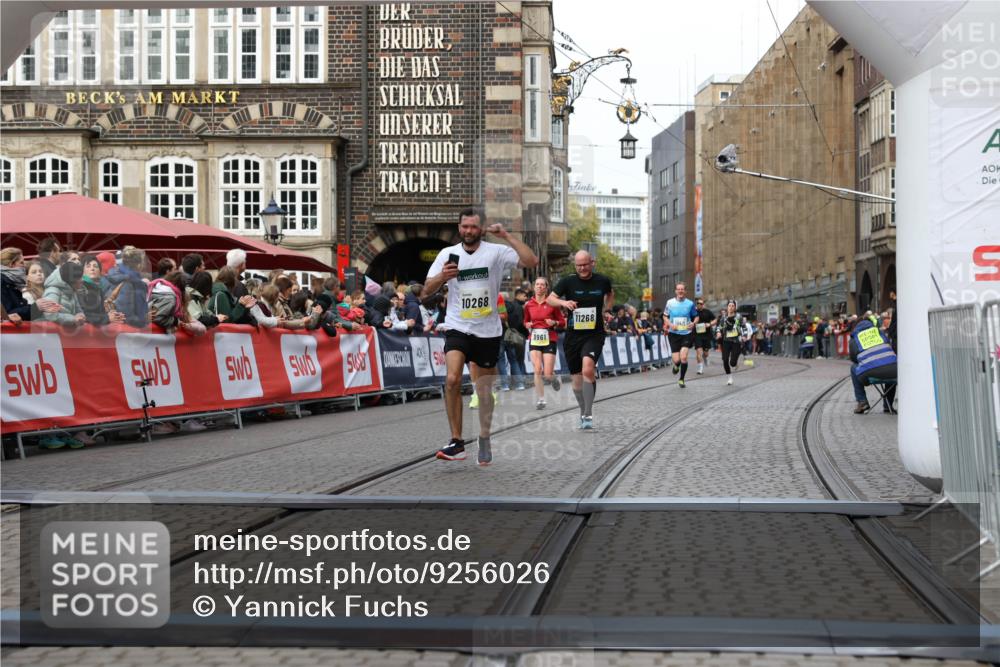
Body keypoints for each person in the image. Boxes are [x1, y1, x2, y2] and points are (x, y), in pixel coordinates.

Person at [422, 207, 538, 464]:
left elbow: (531, 262)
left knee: (484, 392)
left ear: (481, 228)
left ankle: (484, 437)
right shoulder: (447, 254)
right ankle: (457, 441)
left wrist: (507, 236)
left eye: (474, 227)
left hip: (487, 331)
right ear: (459, 227)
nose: (468, 231)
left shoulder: (495, 252)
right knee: (452, 379)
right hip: (457, 326)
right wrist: (443, 276)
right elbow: (425, 291)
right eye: (464, 227)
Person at [548, 250, 614, 429]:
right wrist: (564, 303)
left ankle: (588, 412)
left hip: (594, 333)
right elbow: (550, 299)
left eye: (585, 264)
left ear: (592, 262)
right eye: (578, 265)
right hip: (573, 335)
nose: (582, 268)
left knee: (588, 369)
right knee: (577, 381)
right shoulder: (568, 281)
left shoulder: (602, 280)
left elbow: (610, 294)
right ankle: (583, 409)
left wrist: (607, 310)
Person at [524, 276, 566, 409]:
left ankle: (553, 378)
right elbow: (525, 321)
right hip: (535, 338)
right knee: (537, 370)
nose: (540, 287)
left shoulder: (552, 303)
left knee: (547, 373)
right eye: (537, 284)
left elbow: (562, 322)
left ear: (547, 288)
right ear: (534, 287)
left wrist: (554, 322)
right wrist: (527, 324)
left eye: (543, 285)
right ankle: (541, 399)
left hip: (549, 337)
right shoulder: (528, 304)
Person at [849, 316, 897, 414]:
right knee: (888, 364)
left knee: (853, 368)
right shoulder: (880, 333)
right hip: (894, 373)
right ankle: (888, 405)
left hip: (869, 374)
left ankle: (862, 401)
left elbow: (854, 359)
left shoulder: (855, 337)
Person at [663, 282, 699, 388]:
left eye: (682, 289)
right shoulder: (669, 303)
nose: (680, 291)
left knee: (683, 357)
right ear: (675, 291)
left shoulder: (690, 303)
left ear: (685, 291)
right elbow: (665, 316)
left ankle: (681, 379)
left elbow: (696, 317)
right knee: (677, 360)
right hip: (673, 334)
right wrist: (670, 324)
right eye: (678, 289)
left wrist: (693, 323)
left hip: (686, 333)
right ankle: (676, 366)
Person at [105, 246, 149, 327]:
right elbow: (127, 315)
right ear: (139, 264)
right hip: (129, 333)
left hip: (112, 331)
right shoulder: (135, 283)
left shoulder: (111, 277)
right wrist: (144, 320)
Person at [42, 261, 86, 326]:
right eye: (80, 278)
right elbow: (50, 315)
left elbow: (78, 310)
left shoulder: (71, 290)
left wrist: (81, 316)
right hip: (54, 334)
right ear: (72, 280)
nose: (83, 280)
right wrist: (72, 319)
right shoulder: (52, 291)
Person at [717, 300, 746, 385]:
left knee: (732, 363)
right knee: (725, 360)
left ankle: (735, 363)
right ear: (727, 307)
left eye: (733, 306)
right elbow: (719, 327)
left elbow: (744, 327)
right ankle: (729, 377)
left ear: (735, 307)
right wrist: (718, 332)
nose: (731, 307)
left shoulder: (739, 317)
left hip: (736, 342)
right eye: (729, 305)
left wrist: (744, 335)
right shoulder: (724, 317)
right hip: (726, 341)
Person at [1, 247, 32, 323]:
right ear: (11, 264)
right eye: (21, 263)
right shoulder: (2, 281)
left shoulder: (11, 282)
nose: (24, 266)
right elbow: (8, 314)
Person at [692, 298, 716, 374]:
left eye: (701, 304)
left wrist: (710, 324)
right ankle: (700, 368)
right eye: (698, 303)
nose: (699, 305)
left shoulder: (708, 312)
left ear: (703, 305)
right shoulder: (693, 312)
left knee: (706, 353)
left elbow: (715, 320)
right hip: (697, 335)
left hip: (707, 335)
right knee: (698, 351)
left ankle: (705, 357)